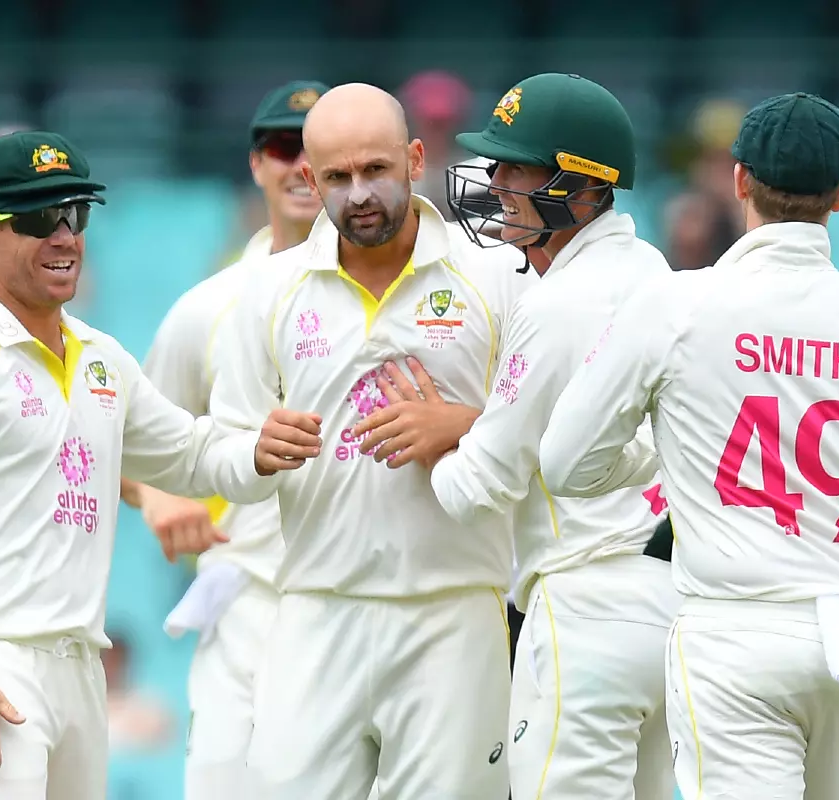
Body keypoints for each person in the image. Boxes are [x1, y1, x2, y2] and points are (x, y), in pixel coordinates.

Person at [537, 92, 839, 800]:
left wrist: (668, 451)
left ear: (740, 180)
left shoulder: (674, 305)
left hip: (733, 631)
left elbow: (566, 466)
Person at [202, 82, 533, 799]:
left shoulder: (496, 275)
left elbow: (550, 430)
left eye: (376, 169)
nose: (359, 194)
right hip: (315, 610)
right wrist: (256, 451)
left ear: (414, 159)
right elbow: (221, 453)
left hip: (455, 614)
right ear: (310, 177)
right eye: (337, 177)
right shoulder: (268, 289)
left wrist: (464, 427)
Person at [354, 71, 679, 799]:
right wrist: (479, 425)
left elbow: (475, 489)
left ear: (584, 186)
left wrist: (440, 437)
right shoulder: (652, 271)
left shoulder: (557, 303)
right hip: (672, 607)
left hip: (586, 605)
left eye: (519, 167)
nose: (496, 182)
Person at [0, 130, 224, 799]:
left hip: (82, 668)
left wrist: (285, 441)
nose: (65, 237)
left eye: (75, 214)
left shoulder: (102, 357)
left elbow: (191, 452)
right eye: (39, 218)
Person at [117, 78, 329, 799]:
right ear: (256, 163)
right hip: (248, 603)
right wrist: (158, 498)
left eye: (318, 150)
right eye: (283, 147)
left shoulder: (416, 301)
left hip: (369, 600)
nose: (301, 166)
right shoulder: (205, 311)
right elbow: (129, 446)